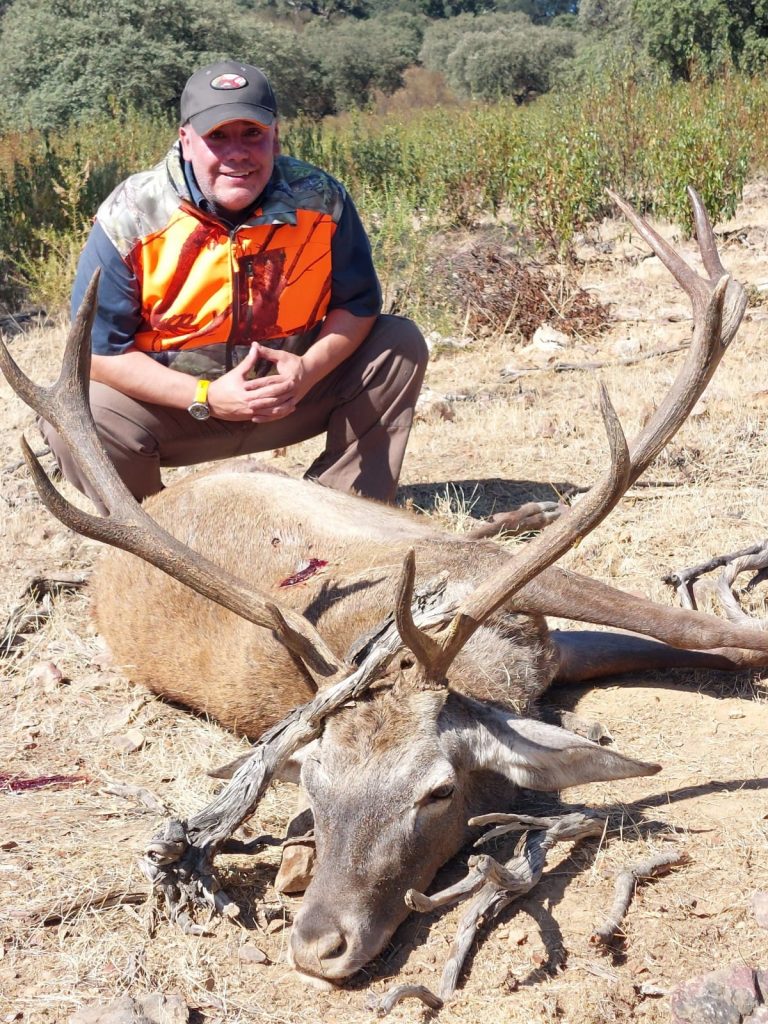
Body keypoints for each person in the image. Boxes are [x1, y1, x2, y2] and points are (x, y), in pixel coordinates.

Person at [41, 59, 428, 510]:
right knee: (72, 417)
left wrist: (306, 371)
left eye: (252, 134)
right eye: (218, 136)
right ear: (186, 141)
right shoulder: (130, 217)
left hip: (290, 397)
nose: (237, 153)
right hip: (179, 410)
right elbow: (100, 354)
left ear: (275, 137)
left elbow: (358, 306)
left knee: (397, 343)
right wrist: (207, 397)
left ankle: (342, 515)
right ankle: (159, 532)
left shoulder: (322, 199)